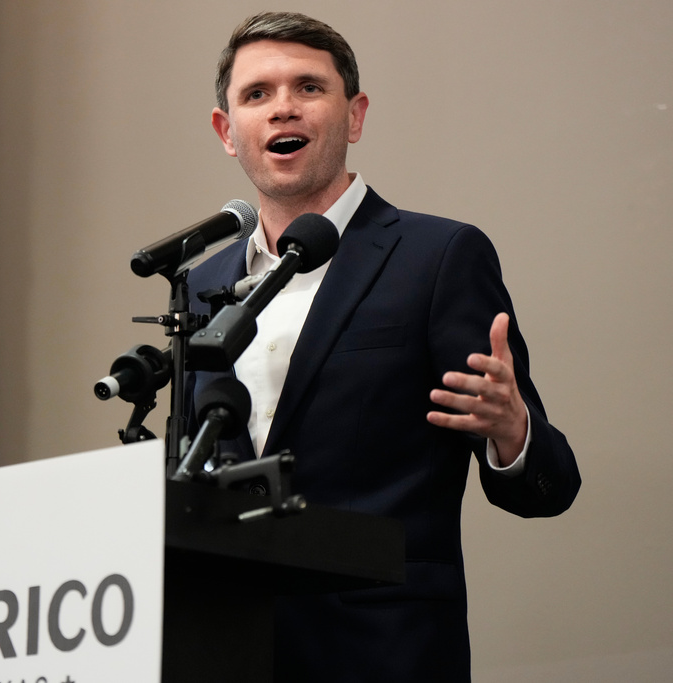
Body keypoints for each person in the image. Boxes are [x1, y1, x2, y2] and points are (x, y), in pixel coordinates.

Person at [186, 11, 581, 681]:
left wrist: (512, 431)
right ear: (228, 131)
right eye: (257, 94)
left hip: (380, 651)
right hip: (227, 650)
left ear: (355, 114)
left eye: (308, 87)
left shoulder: (436, 257)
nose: (283, 106)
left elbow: (548, 486)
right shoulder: (202, 285)